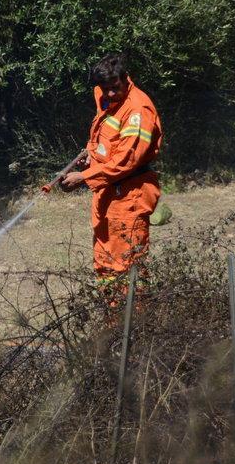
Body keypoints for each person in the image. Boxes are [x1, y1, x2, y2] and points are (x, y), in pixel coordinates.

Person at [60, 53, 162, 290]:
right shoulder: (108, 100)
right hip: (109, 195)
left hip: (129, 197)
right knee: (106, 262)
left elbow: (125, 161)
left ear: (126, 78)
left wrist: (84, 177)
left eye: (115, 88)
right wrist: (91, 158)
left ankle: (130, 323)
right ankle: (111, 320)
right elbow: (106, 143)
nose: (110, 94)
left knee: (126, 266)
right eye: (105, 89)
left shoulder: (138, 111)